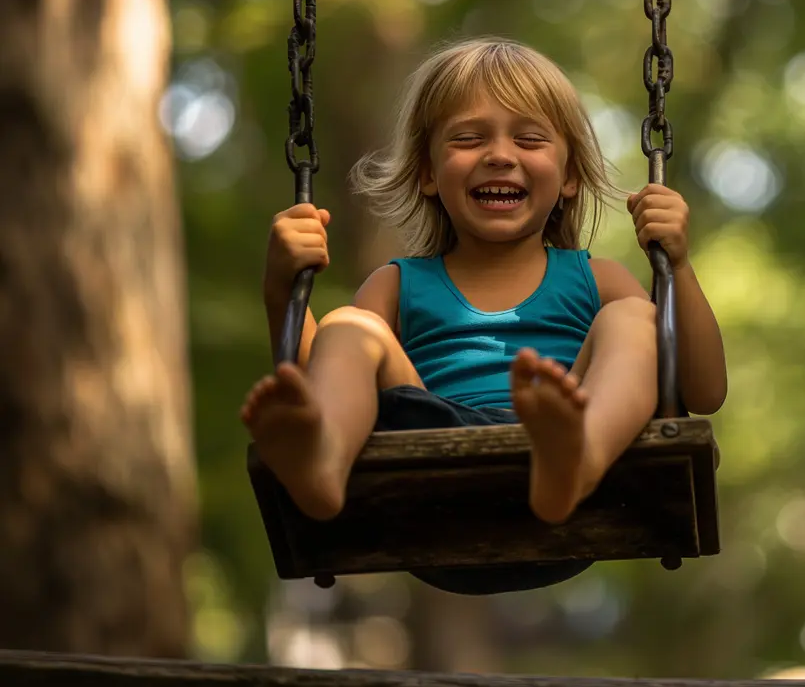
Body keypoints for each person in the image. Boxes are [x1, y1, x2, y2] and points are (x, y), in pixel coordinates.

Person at [245, 37, 728, 562]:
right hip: (431, 471)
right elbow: (324, 384)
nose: (499, 156)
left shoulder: (597, 280)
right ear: (428, 173)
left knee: (635, 319)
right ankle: (322, 466)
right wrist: (281, 290)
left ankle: (580, 455)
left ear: (568, 177)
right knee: (348, 326)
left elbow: (703, 393)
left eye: (530, 139)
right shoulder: (399, 285)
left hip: (566, 454)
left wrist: (676, 265)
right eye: (469, 138)